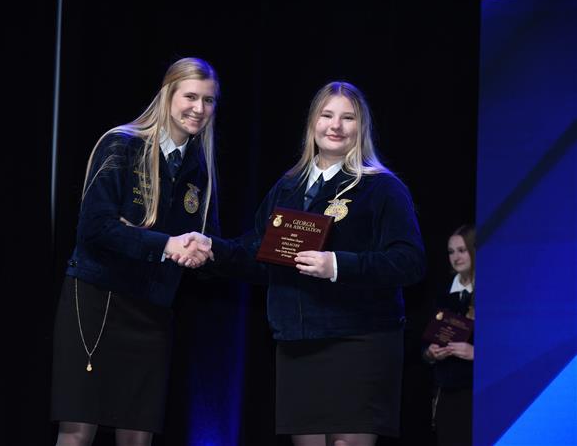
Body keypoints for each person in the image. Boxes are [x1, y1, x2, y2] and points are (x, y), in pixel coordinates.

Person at [205, 81, 426, 446]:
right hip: (298, 341)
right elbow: (260, 254)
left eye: (348, 118)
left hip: (359, 339)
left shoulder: (382, 188)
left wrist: (336, 265)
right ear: (312, 123)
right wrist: (211, 250)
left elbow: (410, 262)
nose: (335, 126)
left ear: (362, 127)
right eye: (327, 115)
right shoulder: (287, 187)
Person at [50, 57, 218, 446]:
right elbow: (95, 228)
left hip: (152, 309)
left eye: (208, 100)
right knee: (77, 432)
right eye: (190, 96)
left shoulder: (199, 168)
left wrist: (206, 251)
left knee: (138, 435)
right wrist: (166, 244)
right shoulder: (122, 144)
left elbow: (205, 240)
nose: (199, 108)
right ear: (168, 95)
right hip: (97, 300)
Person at [423, 225, 475, 446]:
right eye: (451, 252)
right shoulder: (442, 294)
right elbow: (424, 345)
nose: (456, 257)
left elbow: (508, 346)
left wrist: (476, 353)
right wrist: (431, 353)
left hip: (480, 391)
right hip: (447, 392)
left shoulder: (495, 293)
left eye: (462, 250)